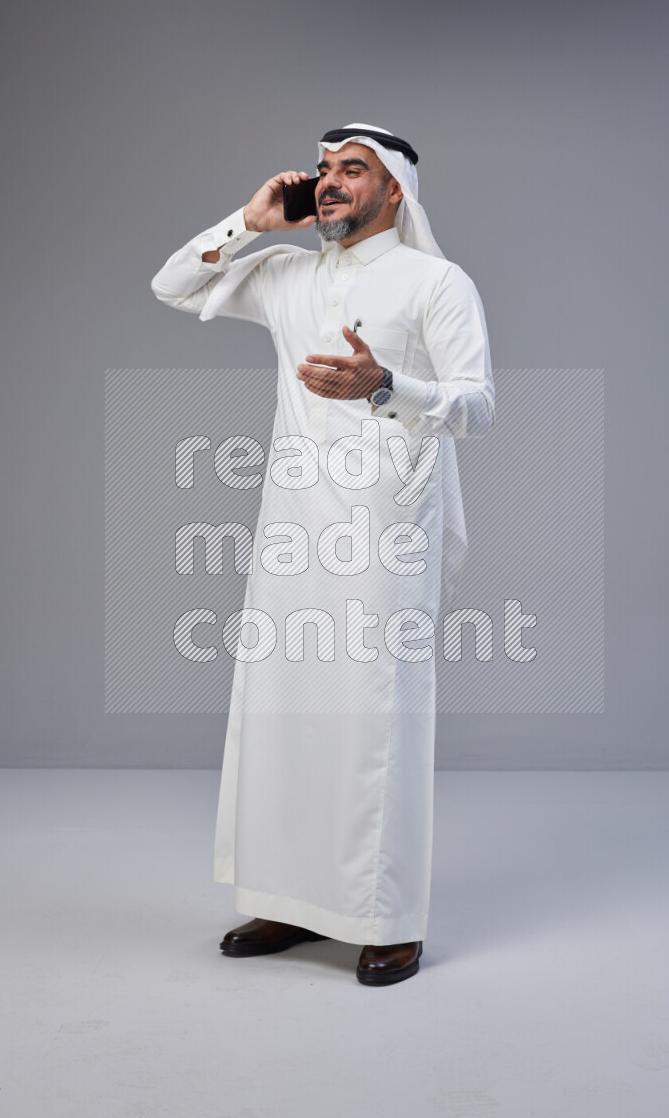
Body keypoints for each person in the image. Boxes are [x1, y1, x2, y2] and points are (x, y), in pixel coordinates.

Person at [151, 123, 495, 985]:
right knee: (283, 708)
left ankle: (389, 919)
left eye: (354, 170)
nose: (331, 182)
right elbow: (170, 284)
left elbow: (479, 404)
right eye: (324, 170)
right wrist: (253, 220)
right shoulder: (286, 274)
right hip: (292, 524)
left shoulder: (436, 282)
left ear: (396, 192)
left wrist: (386, 385)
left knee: (377, 717)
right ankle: (287, 900)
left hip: (385, 528)